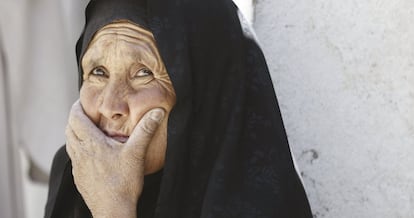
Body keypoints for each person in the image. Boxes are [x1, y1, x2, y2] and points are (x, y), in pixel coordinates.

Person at [45, 0, 313, 217]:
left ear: (205, 93)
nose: (110, 106)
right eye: (98, 72)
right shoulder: (73, 181)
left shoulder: (260, 204)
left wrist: (113, 209)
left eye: (143, 73)